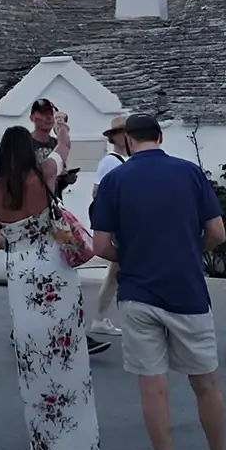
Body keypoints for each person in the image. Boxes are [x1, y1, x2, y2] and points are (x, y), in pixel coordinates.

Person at [91, 112, 226, 450]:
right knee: (207, 385)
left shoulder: (114, 180)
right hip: (187, 294)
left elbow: (100, 246)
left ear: (128, 140)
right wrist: (186, 251)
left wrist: (132, 255)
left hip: (138, 294)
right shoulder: (190, 173)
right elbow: (217, 233)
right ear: (160, 136)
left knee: (153, 389)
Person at [0, 125, 100, 450]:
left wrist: (14, 236)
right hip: (55, 270)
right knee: (68, 352)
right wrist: (62, 130)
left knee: (34, 356)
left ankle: (46, 443)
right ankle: (79, 440)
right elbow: (63, 149)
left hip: (22, 275)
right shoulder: (45, 172)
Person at [28, 98, 109, 357]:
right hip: (38, 217)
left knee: (65, 268)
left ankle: (46, 327)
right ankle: (57, 330)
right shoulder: (27, 145)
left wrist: (64, 180)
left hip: (55, 214)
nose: (47, 118)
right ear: (32, 117)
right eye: (42, 114)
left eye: (50, 113)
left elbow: (54, 178)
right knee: (54, 274)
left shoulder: (54, 144)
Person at [88, 115, 128, 337]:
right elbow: (98, 192)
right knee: (118, 272)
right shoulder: (111, 162)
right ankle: (101, 317)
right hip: (118, 224)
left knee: (115, 273)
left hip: (119, 223)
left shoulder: (118, 161)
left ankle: (101, 317)